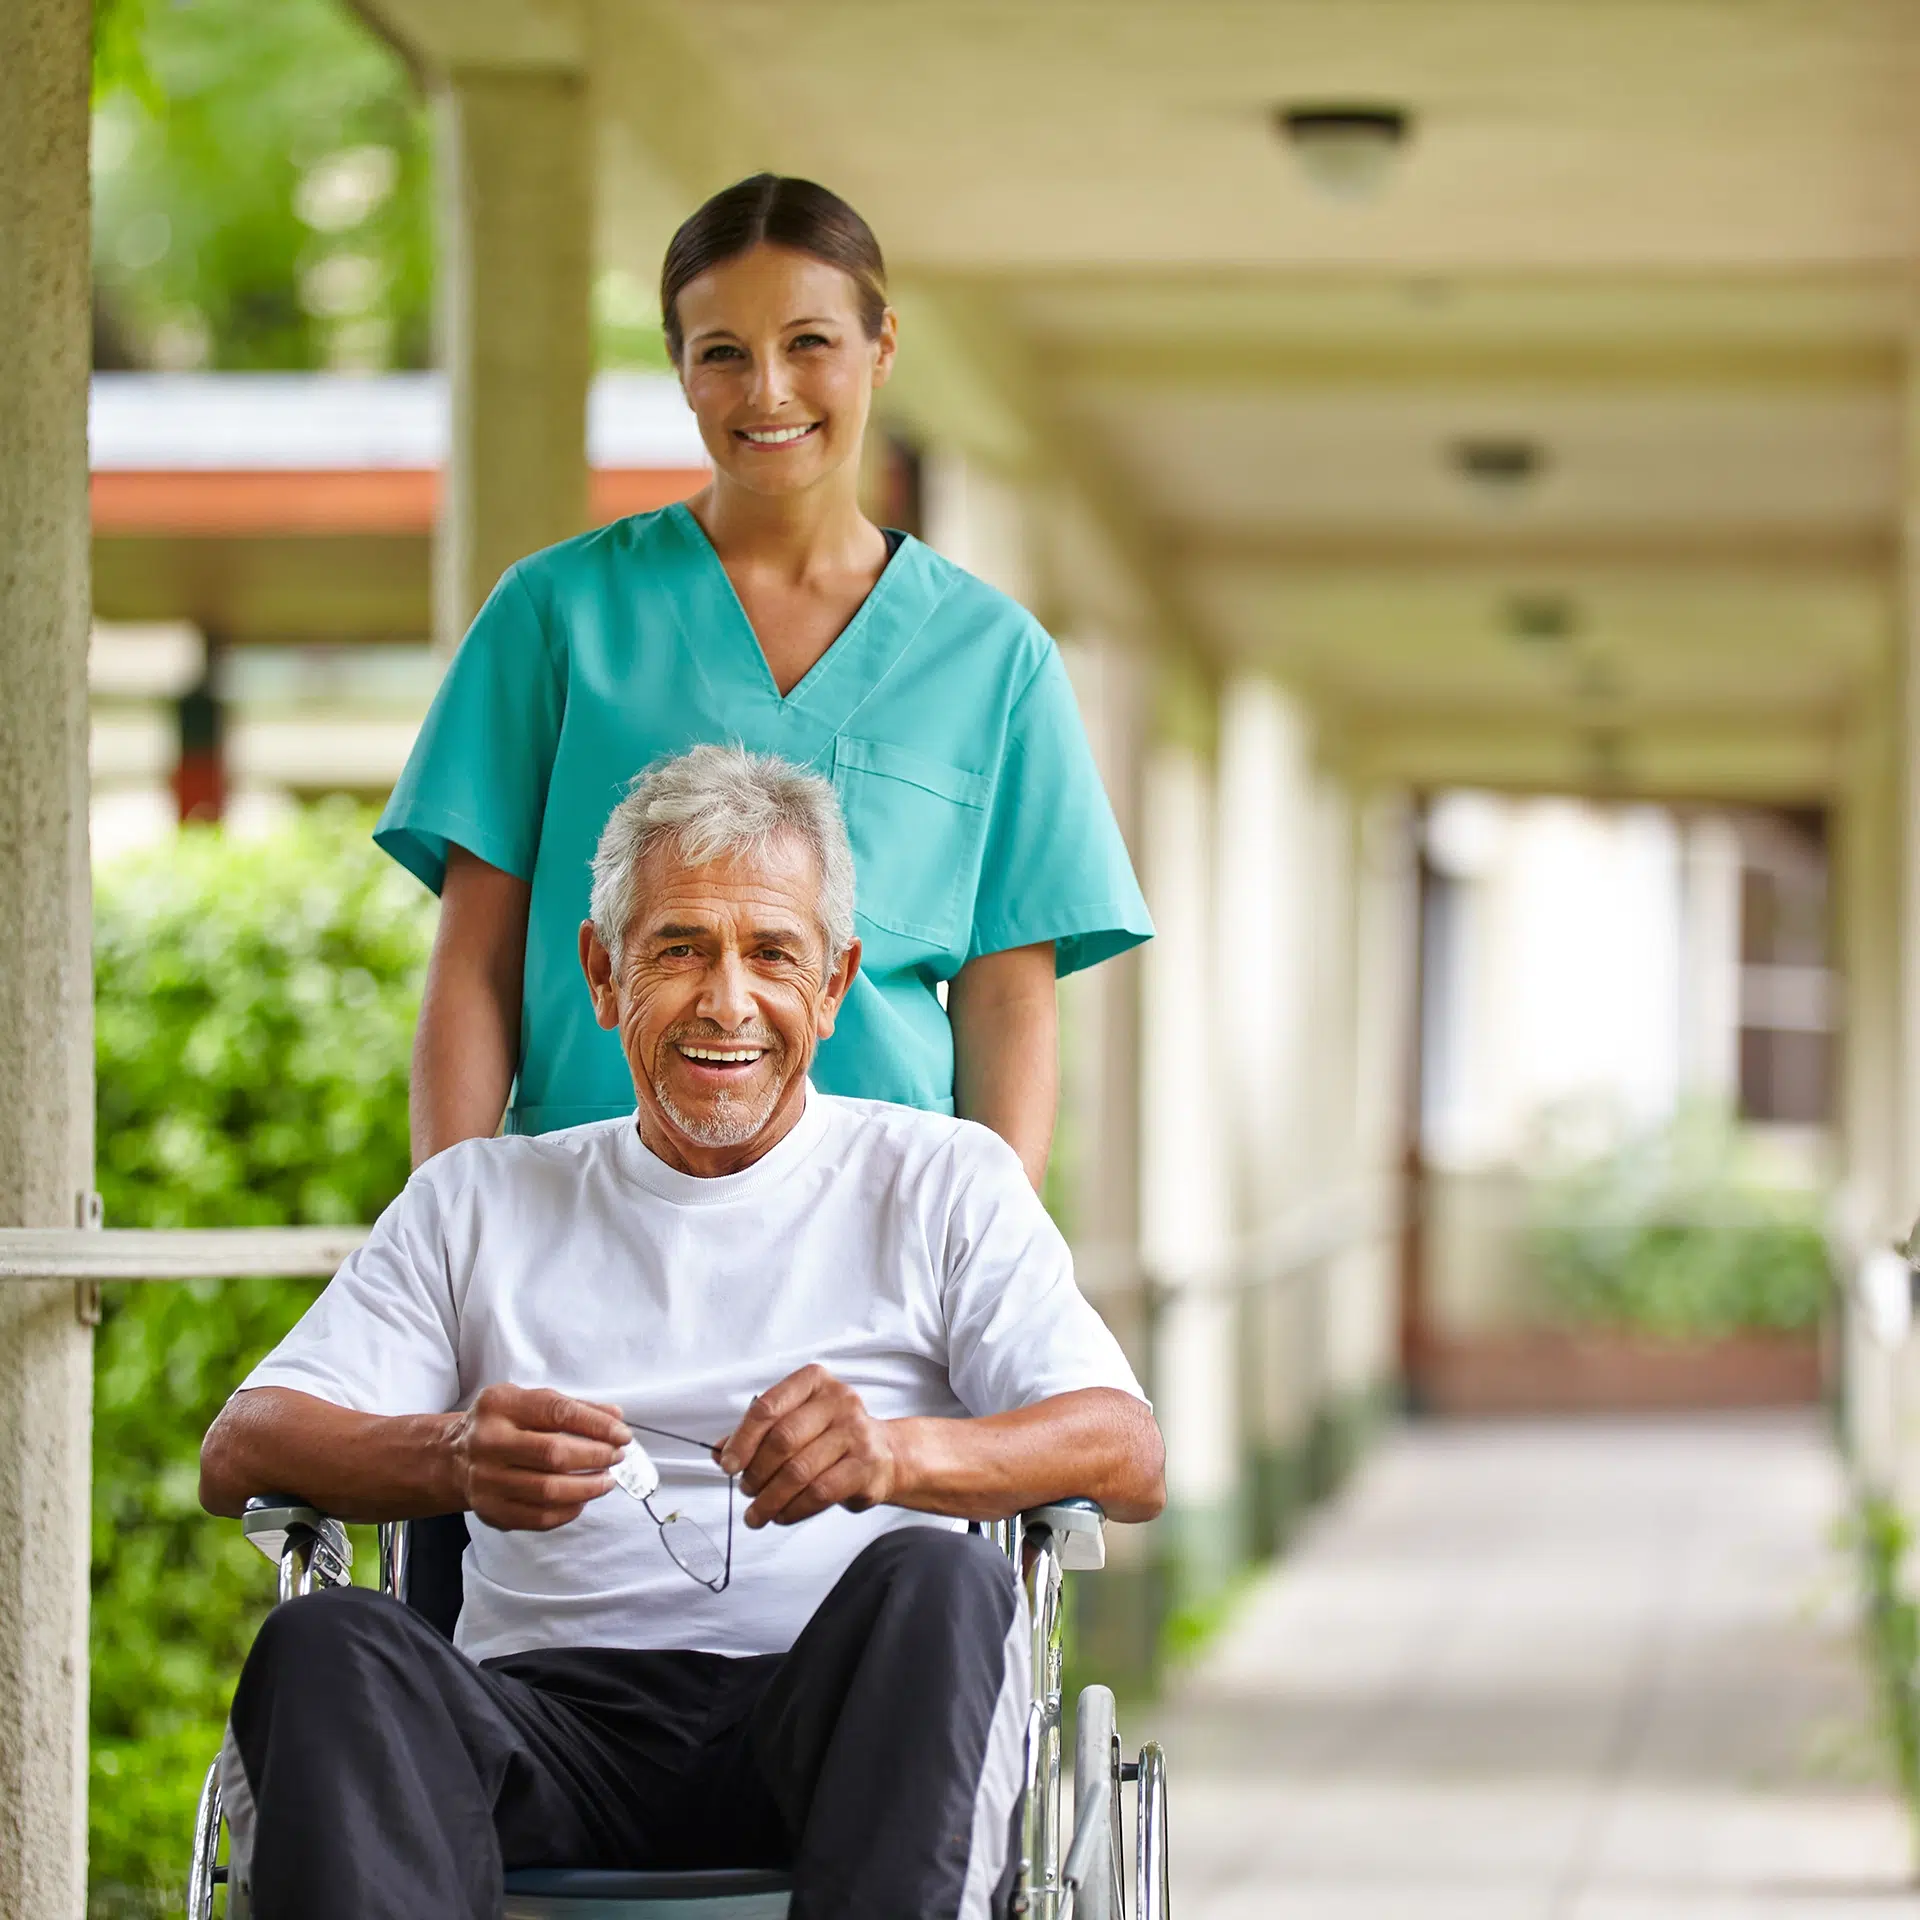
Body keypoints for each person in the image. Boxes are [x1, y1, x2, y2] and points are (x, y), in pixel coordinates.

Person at [202, 745, 1165, 1920]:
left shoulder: (944, 1181)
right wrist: (447, 1456)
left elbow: (1126, 1449)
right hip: (538, 1726)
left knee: (943, 1581)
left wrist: (902, 1457)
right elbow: (243, 1445)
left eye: (772, 954)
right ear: (603, 977)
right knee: (326, 1648)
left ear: (834, 984)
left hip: (836, 1723)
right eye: (678, 950)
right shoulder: (478, 1200)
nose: (726, 1000)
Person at [376, 172, 1151, 1190]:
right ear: (681, 368)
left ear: (881, 347)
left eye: (809, 344)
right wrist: (451, 1236)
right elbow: (477, 960)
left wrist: (990, 1263)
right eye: (724, 354)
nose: (769, 391)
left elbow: (1009, 999)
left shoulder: (994, 658)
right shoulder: (555, 615)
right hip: (589, 1205)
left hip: (883, 1222)